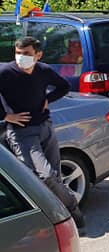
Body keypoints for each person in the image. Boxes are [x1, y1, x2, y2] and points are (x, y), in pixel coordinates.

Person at [0, 36, 85, 231]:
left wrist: (48, 99)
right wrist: (6, 116)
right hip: (22, 133)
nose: (22, 58)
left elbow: (63, 87)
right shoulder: (5, 72)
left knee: (53, 176)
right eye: (18, 53)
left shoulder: (43, 70)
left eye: (27, 54)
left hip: (45, 127)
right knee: (43, 175)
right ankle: (72, 212)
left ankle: (61, 218)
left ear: (38, 55)